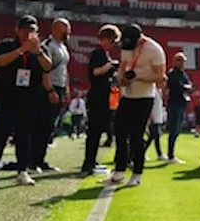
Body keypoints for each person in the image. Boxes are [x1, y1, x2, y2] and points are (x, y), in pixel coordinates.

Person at [0, 16, 52, 187]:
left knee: (24, 135)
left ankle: (22, 171)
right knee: (0, 134)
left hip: (29, 98)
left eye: (33, 30)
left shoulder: (41, 49)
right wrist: (21, 49)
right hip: (5, 96)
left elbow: (48, 66)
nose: (29, 34)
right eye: (26, 30)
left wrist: (36, 51)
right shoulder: (6, 44)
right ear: (18, 30)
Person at [106, 24, 166, 187]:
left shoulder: (154, 50)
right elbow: (122, 67)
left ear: (139, 39)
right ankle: (118, 171)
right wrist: (121, 78)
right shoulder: (127, 47)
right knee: (119, 132)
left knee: (136, 136)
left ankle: (137, 173)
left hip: (144, 97)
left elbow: (160, 77)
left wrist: (138, 76)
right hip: (127, 95)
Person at [33, 18, 71, 173]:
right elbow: (45, 70)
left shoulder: (62, 47)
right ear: (56, 29)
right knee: (42, 125)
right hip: (50, 88)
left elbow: (64, 69)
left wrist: (66, 87)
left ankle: (40, 159)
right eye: (66, 29)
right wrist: (50, 90)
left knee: (50, 126)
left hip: (60, 87)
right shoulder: (48, 46)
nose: (68, 32)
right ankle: (34, 160)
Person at [81, 25, 120, 176]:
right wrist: (110, 65)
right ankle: (88, 163)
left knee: (97, 130)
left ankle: (92, 161)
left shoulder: (104, 53)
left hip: (102, 95)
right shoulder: (99, 53)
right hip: (98, 96)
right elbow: (95, 72)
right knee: (94, 131)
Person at [166, 52, 193, 163]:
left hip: (180, 103)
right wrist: (187, 87)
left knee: (177, 129)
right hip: (174, 104)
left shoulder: (182, 73)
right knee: (174, 129)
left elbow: (189, 85)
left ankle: (171, 155)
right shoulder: (173, 73)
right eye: (180, 61)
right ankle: (170, 155)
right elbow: (179, 87)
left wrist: (187, 87)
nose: (183, 63)